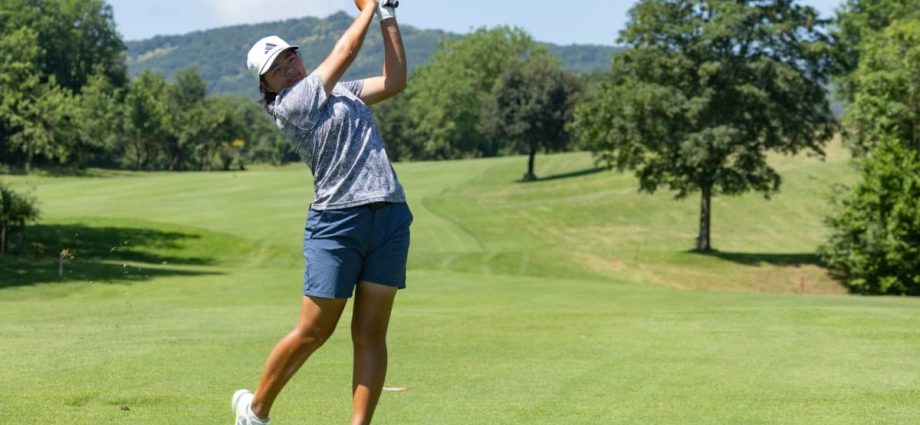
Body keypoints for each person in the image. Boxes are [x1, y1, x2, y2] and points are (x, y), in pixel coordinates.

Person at [233, 1, 410, 424]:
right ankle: (254, 411)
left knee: (370, 333)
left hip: (389, 218)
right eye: (279, 68)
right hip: (337, 224)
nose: (291, 68)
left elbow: (395, 80)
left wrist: (387, 14)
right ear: (269, 86)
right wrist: (369, 6)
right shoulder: (292, 105)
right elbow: (346, 51)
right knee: (315, 331)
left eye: (291, 58)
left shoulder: (341, 91)